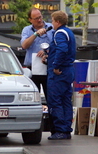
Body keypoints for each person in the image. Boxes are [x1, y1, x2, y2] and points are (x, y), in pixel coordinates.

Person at [46, 10, 76, 140]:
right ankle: (67, 129)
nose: (51, 23)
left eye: (52, 21)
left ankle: (60, 130)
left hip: (59, 73)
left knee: (55, 101)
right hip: (68, 70)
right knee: (66, 101)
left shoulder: (59, 33)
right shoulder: (69, 32)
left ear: (57, 22)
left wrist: (55, 66)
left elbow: (62, 49)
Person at [20, 8, 53, 104]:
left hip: (48, 67)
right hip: (32, 69)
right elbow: (24, 45)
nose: (39, 20)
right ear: (30, 20)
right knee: (33, 98)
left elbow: (57, 45)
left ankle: (51, 118)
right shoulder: (27, 30)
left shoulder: (51, 27)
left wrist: (47, 51)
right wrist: (35, 34)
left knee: (50, 97)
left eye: (40, 17)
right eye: (36, 19)